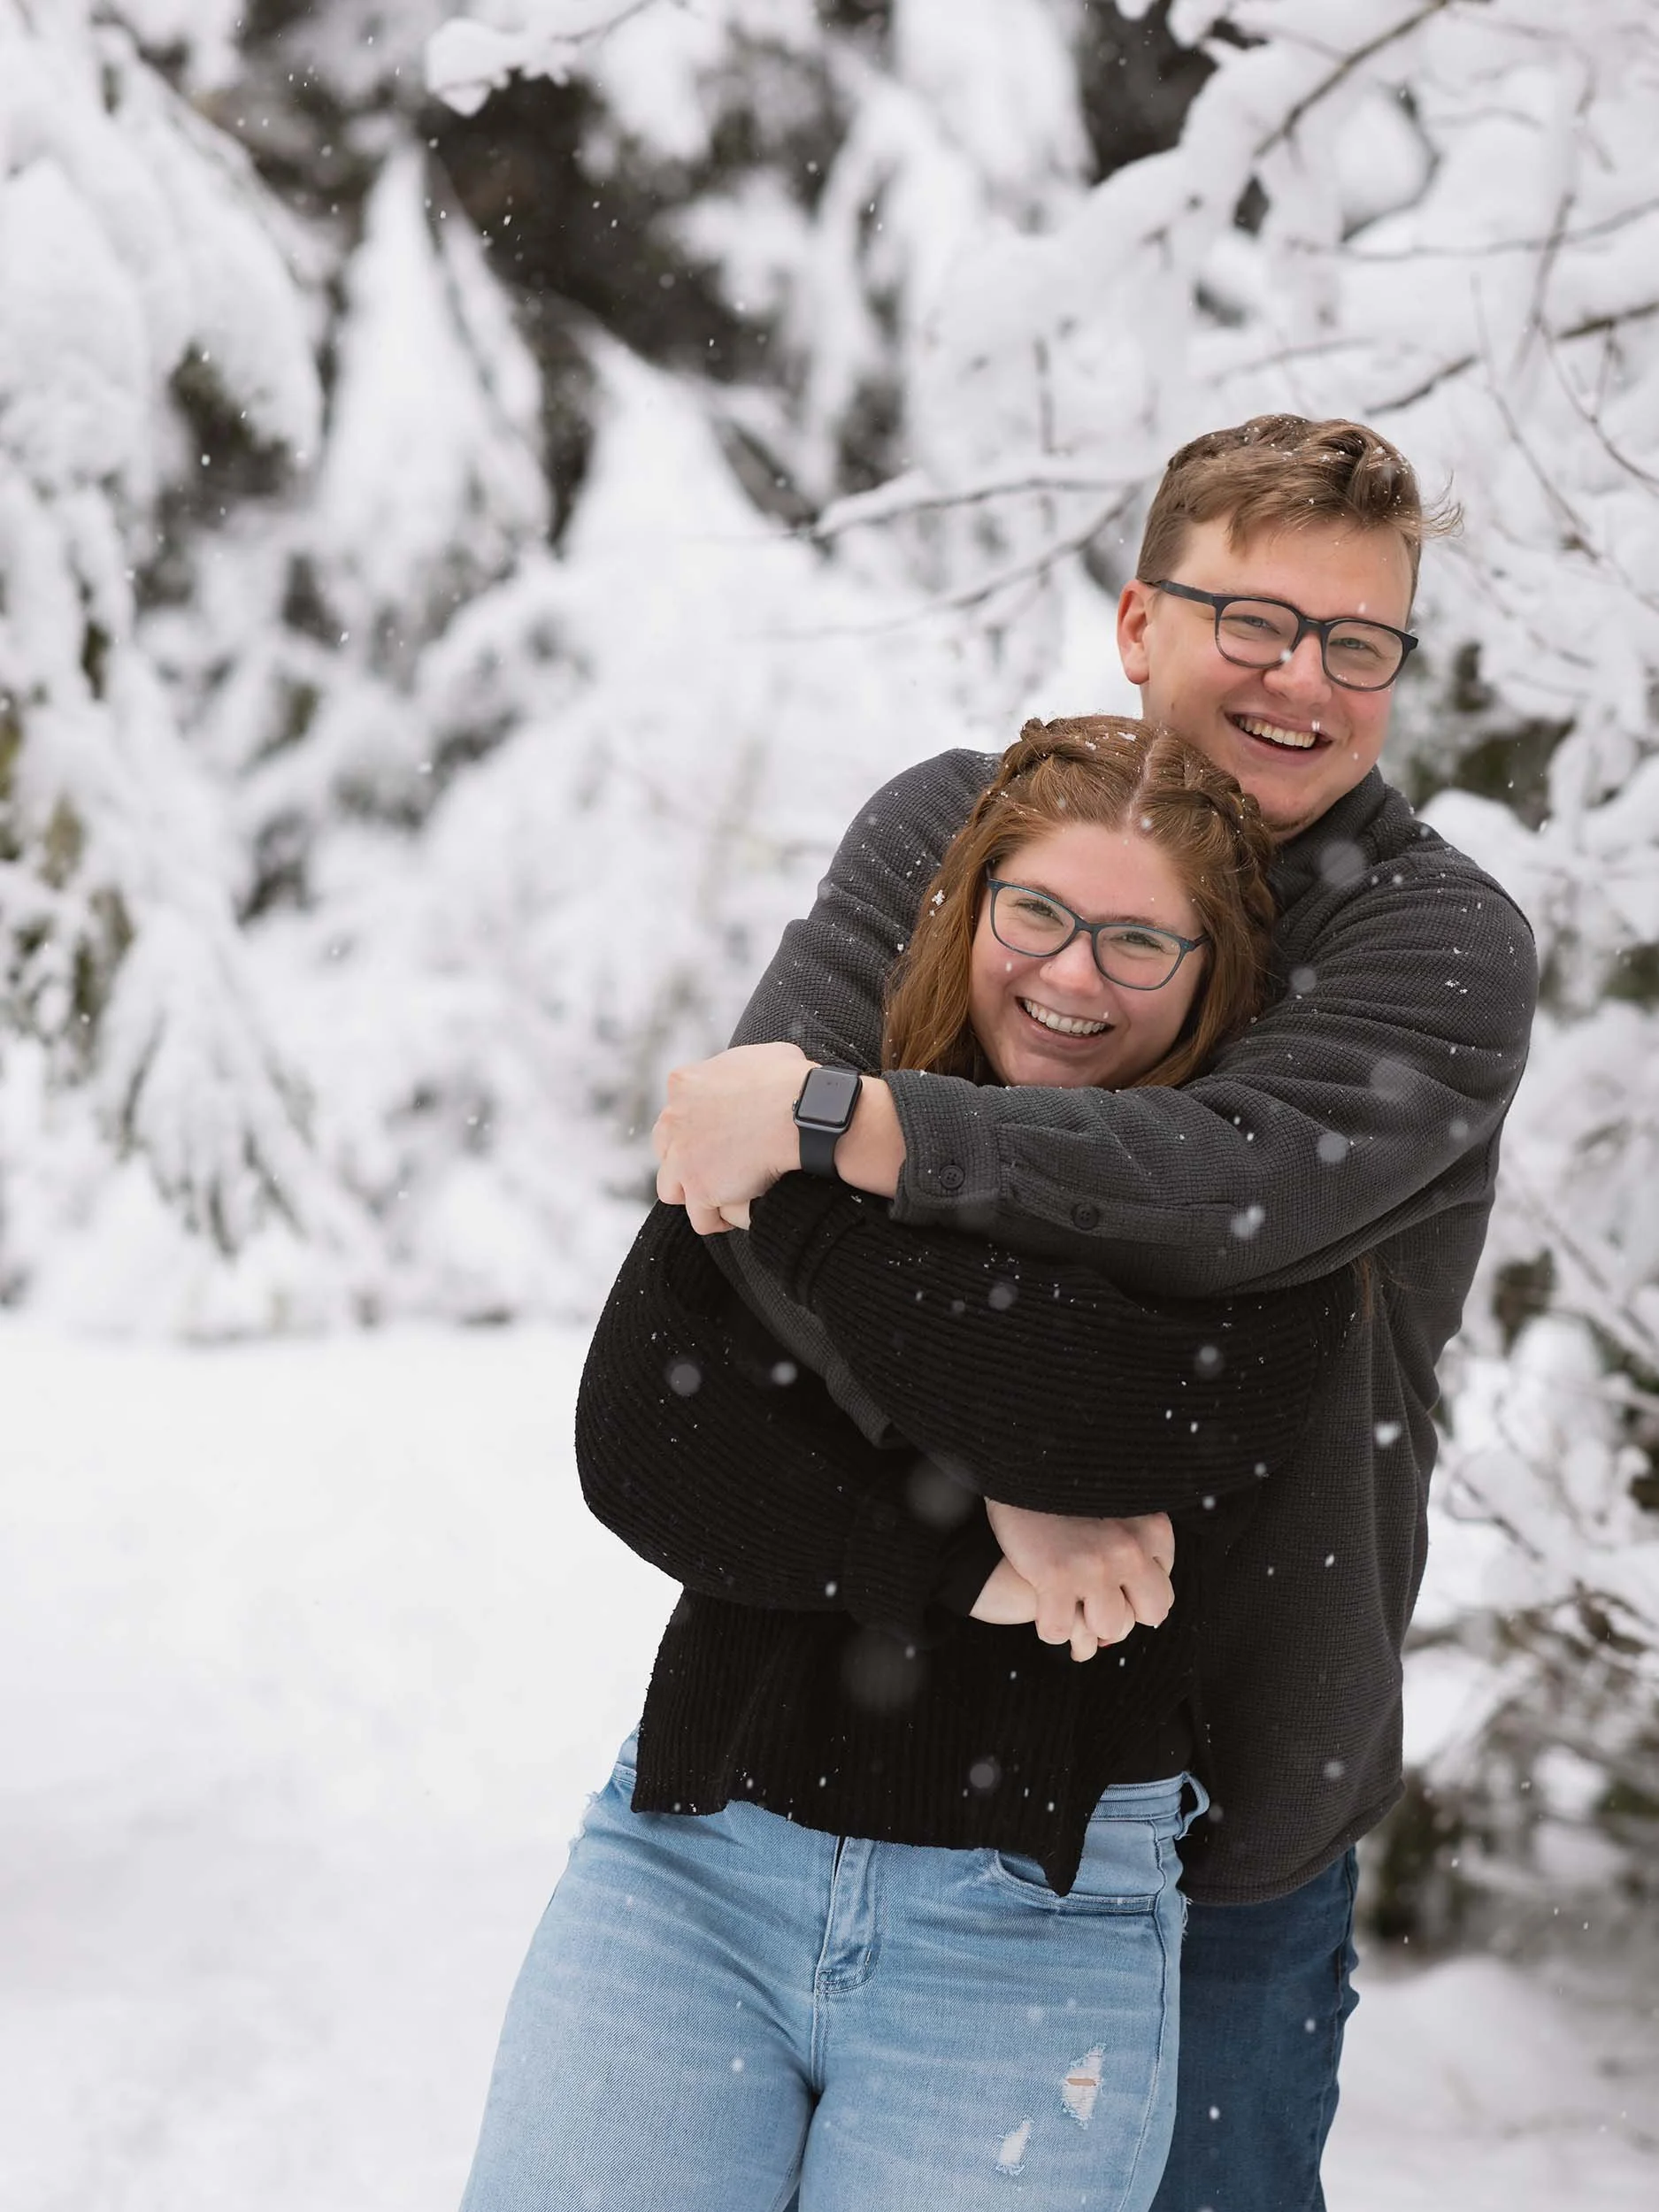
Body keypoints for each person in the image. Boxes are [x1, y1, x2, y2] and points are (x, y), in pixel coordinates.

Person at [653, 416, 1540, 2212]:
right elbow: (732, 1209)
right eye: (1254, 619)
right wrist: (1008, 1481)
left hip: (1219, 1794)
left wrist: (854, 1120)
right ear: (1139, 620)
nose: (1303, 678)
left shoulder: (1430, 944)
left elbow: (1215, 1195)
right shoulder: (945, 834)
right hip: (850, 1742)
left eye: (1356, 641)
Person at [457, 720, 1356, 2212]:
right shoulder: (830, 1088)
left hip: (1031, 1912)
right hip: (691, 1857)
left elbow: (1094, 1417)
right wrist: (972, 1564)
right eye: (1039, 915)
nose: (1072, 975)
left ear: (1209, 979)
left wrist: (791, 1197)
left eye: (1141, 942)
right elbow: (645, 1446)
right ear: (970, 909)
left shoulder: (1256, 1223)